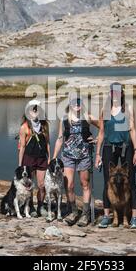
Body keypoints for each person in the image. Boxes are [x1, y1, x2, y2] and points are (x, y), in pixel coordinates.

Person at [94, 82, 136, 229]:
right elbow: (101, 132)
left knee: (131, 182)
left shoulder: (128, 108)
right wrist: (97, 154)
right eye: (112, 92)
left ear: (122, 93)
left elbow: (132, 130)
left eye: (118, 92)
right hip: (109, 147)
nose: (115, 94)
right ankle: (107, 216)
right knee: (108, 181)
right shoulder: (105, 110)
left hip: (127, 147)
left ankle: (133, 218)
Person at [52, 96, 99, 227]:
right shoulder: (64, 119)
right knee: (69, 185)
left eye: (79, 102)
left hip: (84, 155)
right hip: (68, 155)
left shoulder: (87, 116)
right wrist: (54, 157)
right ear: (70, 105)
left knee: (85, 184)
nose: (77, 104)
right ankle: (73, 211)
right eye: (74, 102)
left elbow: (103, 126)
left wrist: (97, 140)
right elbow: (60, 138)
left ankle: (85, 214)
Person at [18, 99, 50, 217]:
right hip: (29, 158)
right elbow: (22, 147)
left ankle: (41, 207)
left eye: (37, 109)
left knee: (42, 185)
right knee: (29, 185)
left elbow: (47, 143)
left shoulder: (44, 125)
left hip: (42, 158)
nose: (35, 112)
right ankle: (30, 207)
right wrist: (20, 165)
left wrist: (49, 158)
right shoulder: (24, 127)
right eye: (33, 109)